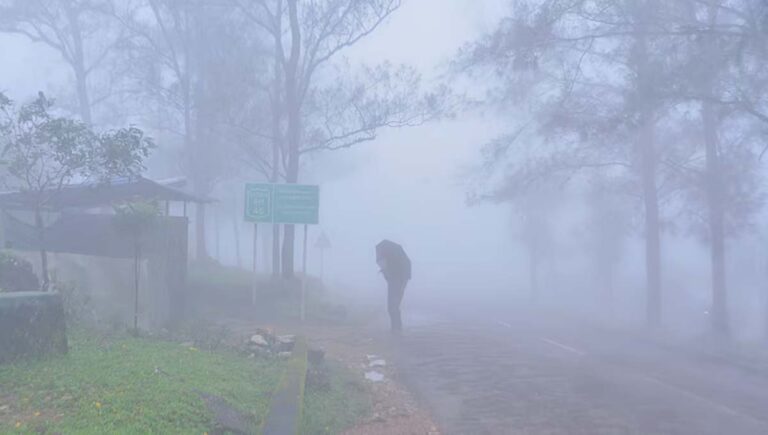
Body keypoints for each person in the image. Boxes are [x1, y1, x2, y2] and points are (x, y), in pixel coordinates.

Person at [375, 240, 411, 333]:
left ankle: (396, 328)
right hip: (400, 279)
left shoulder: (387, 256)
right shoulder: (399, 258)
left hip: (397, 279)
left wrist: (387, 274)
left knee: (392, 305)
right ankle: (397, 327)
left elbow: (383, 265)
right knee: (394, 305)